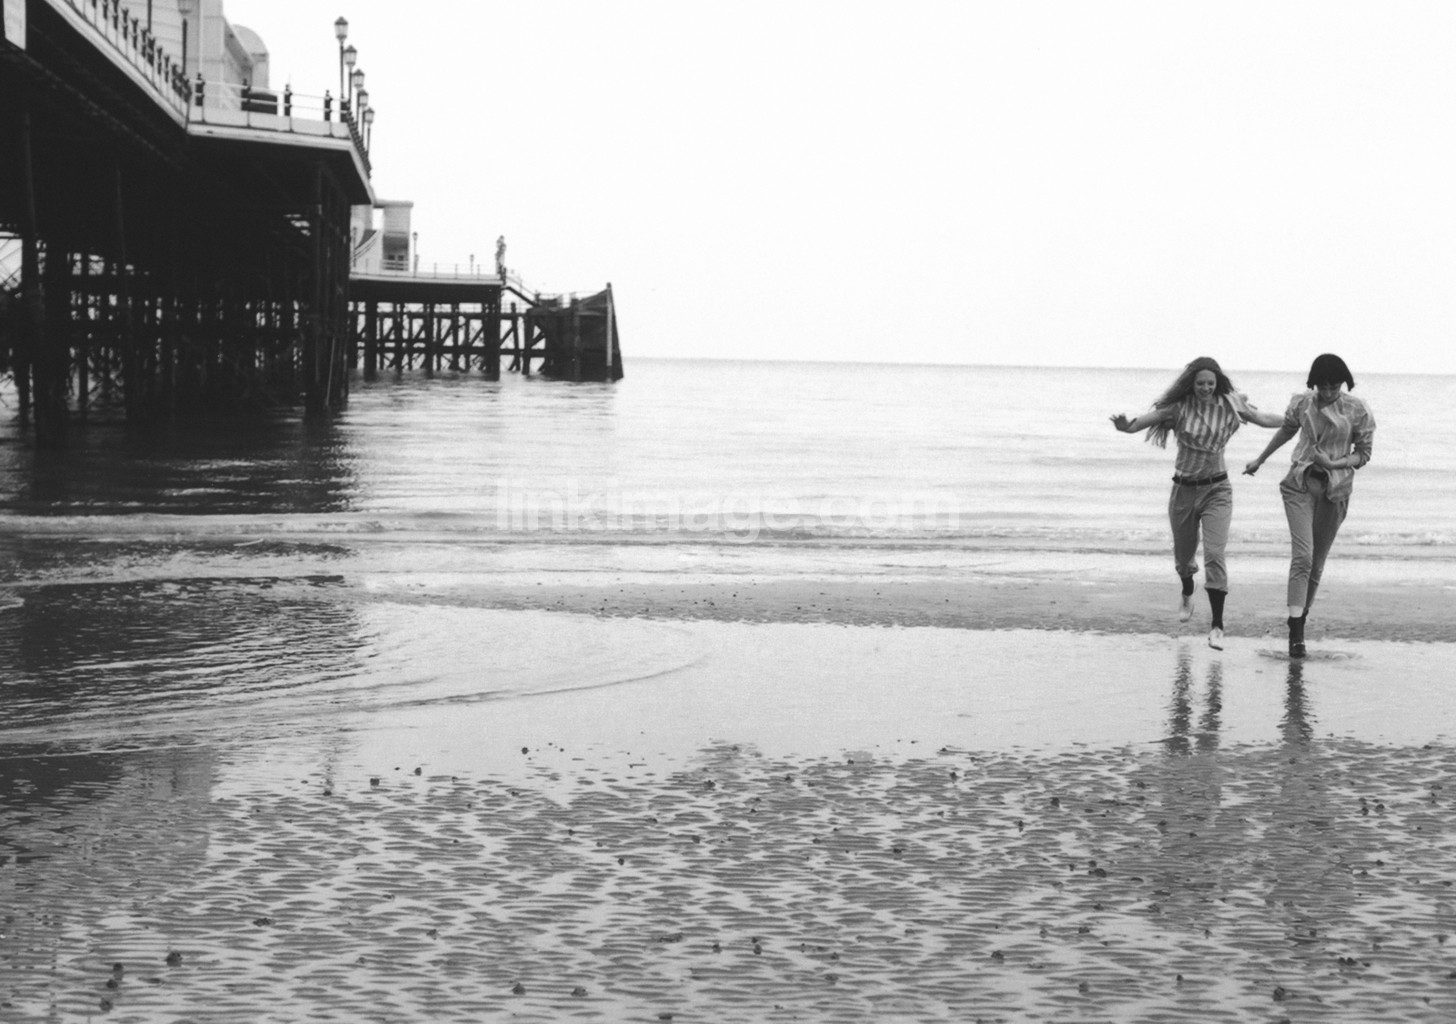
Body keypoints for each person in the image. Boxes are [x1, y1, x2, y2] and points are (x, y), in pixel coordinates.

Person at [1111, 357, 1282, 649]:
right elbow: (1141, 422)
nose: (1205, 388)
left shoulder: (1230, 403)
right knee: (1184, 558)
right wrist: (1126, 426)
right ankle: (1187, 590)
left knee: (1215, 554)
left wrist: (1295, 421)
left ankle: (1217, 625)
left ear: (1217, 383)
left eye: (1210, 383)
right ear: (1192, 384)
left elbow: (1263, 419)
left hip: (1218, 489)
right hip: (1184, 491)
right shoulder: (1179, 408)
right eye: (1200, 383)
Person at [1243, 353, 1374, 658]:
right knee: (1302, 556)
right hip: (1300, 484)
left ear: (1343, 383)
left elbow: (1364, 454)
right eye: (1322, 386)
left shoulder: (1358, 409)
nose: (1327, 392)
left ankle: (1300, 619)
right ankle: (1296, 633)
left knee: (1316, 563)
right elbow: (1286, 431)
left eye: (1334, 386)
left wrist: (1335, 463)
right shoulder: (1302, 403)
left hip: (1335, 490)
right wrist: (1260, 460)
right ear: (1314, 383)